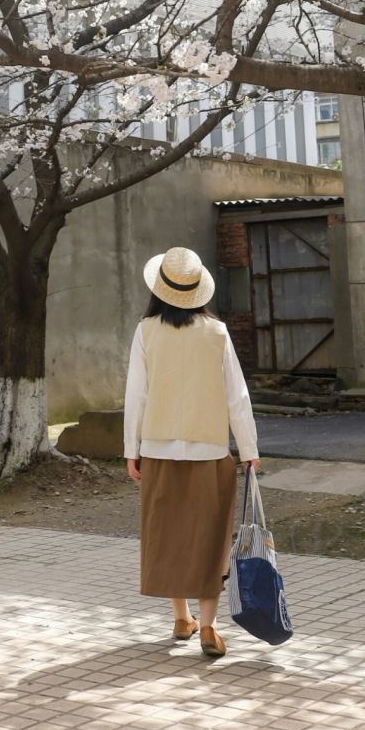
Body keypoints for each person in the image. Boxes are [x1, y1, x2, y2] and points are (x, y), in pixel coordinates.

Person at [124, 246, 259, 658]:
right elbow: (237, 396)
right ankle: (209, 627)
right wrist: (249, 447)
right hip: (210, 449)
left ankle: (182, 617)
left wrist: (132, 449)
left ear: (159, 290)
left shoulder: (146, 331)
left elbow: (137, 396)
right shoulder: (216, 333)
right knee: (209, 538)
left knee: (168, 534)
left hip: (158, 448)